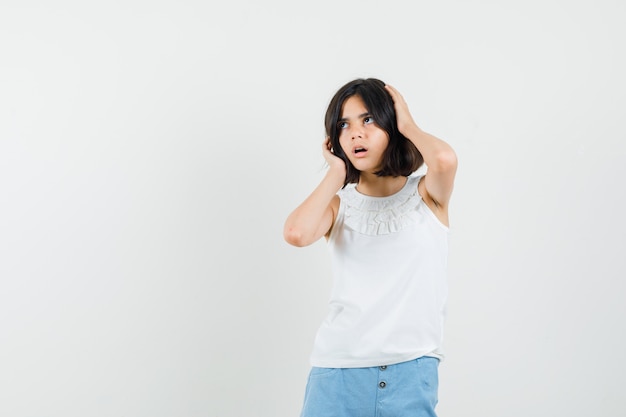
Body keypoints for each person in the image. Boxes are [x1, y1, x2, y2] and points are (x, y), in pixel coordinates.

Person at [283, 78, 457, 417]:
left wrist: (408, 125)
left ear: (392, 127)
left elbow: (445, 160)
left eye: (368, 120)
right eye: (343, 125)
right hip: (337, 373)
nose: (355, 133)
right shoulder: (339, 206)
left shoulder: (426, 194)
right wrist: (337, 171)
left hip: (410, 370)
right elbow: (296, 233)